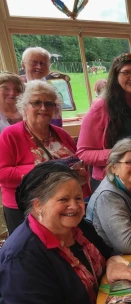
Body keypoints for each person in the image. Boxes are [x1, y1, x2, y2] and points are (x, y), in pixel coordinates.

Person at [0, 161, 131, 304]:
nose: (74, 206)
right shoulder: (22, 255)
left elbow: (107, 254)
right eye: (63, 199)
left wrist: (112, 265)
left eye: (78, 198)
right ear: (38, 205)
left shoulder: (78, 226)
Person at [0, 80, 90, 235]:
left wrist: (80, 176)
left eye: (49, 104)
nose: (43, 108)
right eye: (36, 103)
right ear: (24, 107)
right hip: (27, 209)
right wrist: (42, 170)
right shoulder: (10, 135)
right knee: (34, 255)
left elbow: (78, 165)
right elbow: (2, 173)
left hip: (64, 209)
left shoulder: (61, 134)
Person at [77, 53, 131, 191]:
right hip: (111, 183)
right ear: (115, 77)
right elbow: (83, 153)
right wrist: (123, 154)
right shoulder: (101, 107)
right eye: (126, 73)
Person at [20, 46, 63, 127]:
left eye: (43, 63)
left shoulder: (53, 90)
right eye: (34, 62)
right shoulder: (15, 90)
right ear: (23, 64)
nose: (39, 67)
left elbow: (57, 120)